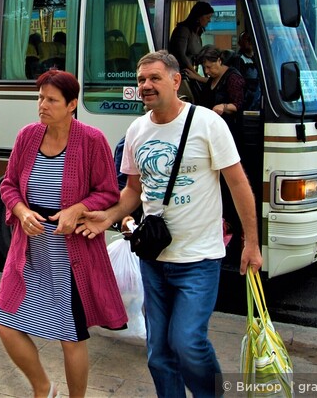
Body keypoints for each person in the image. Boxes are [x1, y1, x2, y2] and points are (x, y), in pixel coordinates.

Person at [77, 51, 262, 398]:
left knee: (187, 342)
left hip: (199, 259)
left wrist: (251, 243)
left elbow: (238, 184)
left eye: (154, 78)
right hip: (154, 260)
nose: (146, 85)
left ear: (176, 81)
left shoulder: (208, 123)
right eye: (141, 79)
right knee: (159, 354)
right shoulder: (136, 130)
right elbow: (133, 191)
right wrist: (109, 217)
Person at [0, 69, 127, 398]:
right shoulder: (27, 137)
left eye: (51, 99)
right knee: (4, 322)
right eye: (40, 97)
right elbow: (9, 186)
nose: (42, 105)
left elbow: (108, 193)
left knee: (71, 336)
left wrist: (77, 208)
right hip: (30, 251)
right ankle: (43, 388)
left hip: (72, 256)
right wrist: (22, 212)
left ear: (71, 104)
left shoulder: (92, 140)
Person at [168, 1, 214, 101]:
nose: (209, 21)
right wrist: (195, 75)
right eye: (207, 17)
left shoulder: (197, 34)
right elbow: (181, 55)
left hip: (194, 75)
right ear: (198, 16)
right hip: (184, 75)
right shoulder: (183, 30)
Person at [197, 45, 245, 134]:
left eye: (209, 67)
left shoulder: (233, 78)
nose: (206, 71)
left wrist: (223, 106)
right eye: (204, 68)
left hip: (227, 130)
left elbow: (239, 104)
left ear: (219, 61)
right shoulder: (212, 79)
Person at [227, 31, 262, 112]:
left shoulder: (258, 58)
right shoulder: (238, 59)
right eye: (247, 39)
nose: (250, 42)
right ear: (240, 43)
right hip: (247, 97)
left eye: (251, 39)